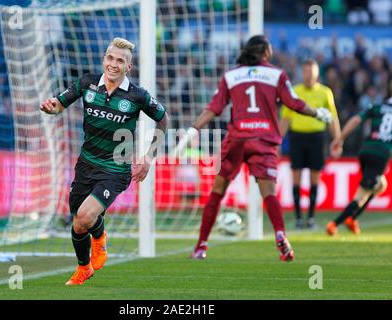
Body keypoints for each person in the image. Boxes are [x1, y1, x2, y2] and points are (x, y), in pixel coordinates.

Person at [176, 35, 333, 262]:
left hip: (238, 138)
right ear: (266, 53)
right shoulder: (276, 74)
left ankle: (201, 246)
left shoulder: (231, 76)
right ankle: (281, 236)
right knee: (268, 192)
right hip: (264, 139)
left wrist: (194, 129)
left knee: (218, 191)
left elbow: (214, 107)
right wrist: (318, 112)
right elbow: (294, 103)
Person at [40, 38, 168, 285]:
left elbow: (163, 119)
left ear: (128, 67)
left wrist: (148, 157)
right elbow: (59, 105)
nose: (113, 64)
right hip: (86, 164)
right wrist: (50, 108)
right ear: (104, 59)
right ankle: (84, 268)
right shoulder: (87, 84)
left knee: (85, 217)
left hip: (115, 169)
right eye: (110, 58)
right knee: (78, 223)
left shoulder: (137, 95)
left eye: (120, 60)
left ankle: (99, 241)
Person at [279, 59, 341, 229]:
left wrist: (338, 140)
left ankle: (311, 218)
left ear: (317, 74)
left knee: (315, 178)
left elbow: (332, 118)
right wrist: (277, 141)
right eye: (306, 72)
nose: (308, 76)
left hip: (317, 138)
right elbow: (285, 118)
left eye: (311, 73)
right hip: (297, 136)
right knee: (296, 178)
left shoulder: (325, 92)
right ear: (302, 73)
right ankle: (299, 218)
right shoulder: (294, 91)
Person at [326, 97, 392, 236]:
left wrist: (339, 139)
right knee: (362, 193)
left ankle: (352, 219)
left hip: (365, 151)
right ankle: (334, 224)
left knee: (379, 185)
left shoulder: (377, 107)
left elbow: (356, 120)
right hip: (381, 154)